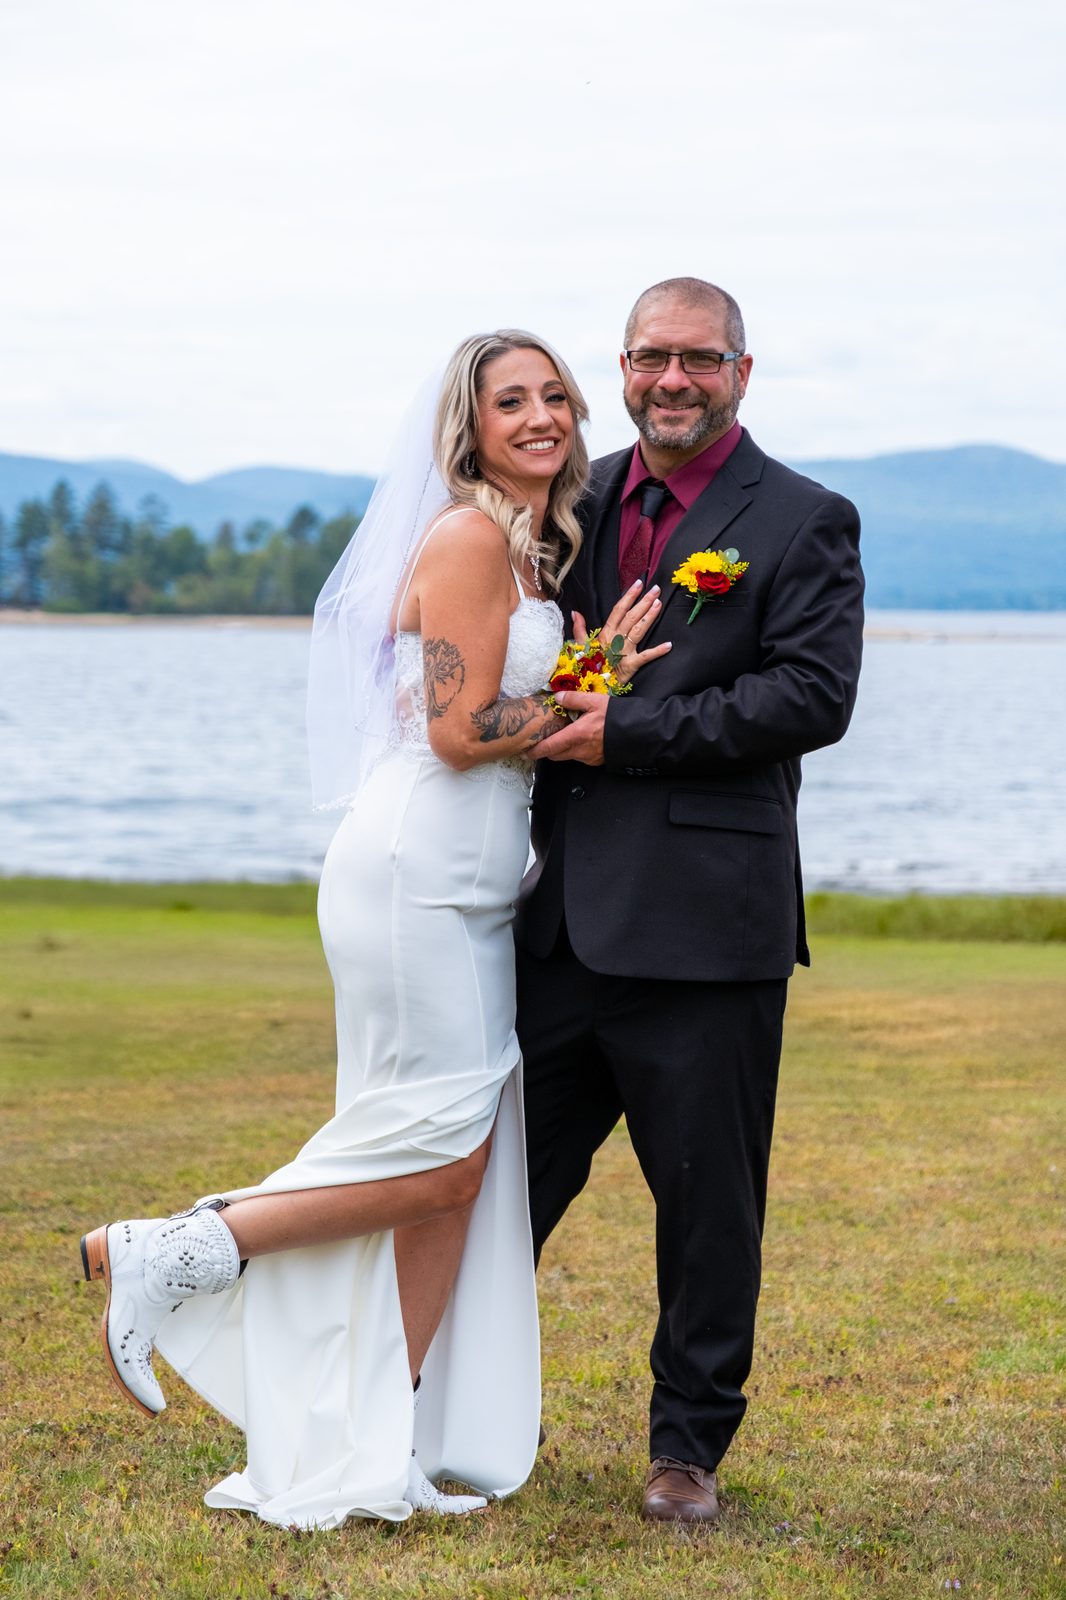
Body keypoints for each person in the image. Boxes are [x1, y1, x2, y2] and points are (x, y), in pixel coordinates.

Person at [80, 329, 664, 1528]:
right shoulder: (463, 534)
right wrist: (588, 701)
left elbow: (501, 704)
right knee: (438, 1152)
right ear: (471, 426)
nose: (543, 415)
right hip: (416, 873)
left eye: (556, 394)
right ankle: (175, 1247)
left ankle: (376, 1441)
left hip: (470, 880)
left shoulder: (522, 548)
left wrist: (583, 672)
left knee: (449, 1175)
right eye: (513, 401)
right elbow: (456, 733)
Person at [516, 277, 865, 1524]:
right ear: (620, 367)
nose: (674, 379)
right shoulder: (573, 500)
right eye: (652, 358)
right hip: (553, 920)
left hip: (708, 925)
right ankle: (457, 1408)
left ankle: (685, 1450)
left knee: (709, 1205)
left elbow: (808, 698)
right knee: (504, 1183)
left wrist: (629, 732)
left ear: (741, 373)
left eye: (699, 361)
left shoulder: (806, 518)